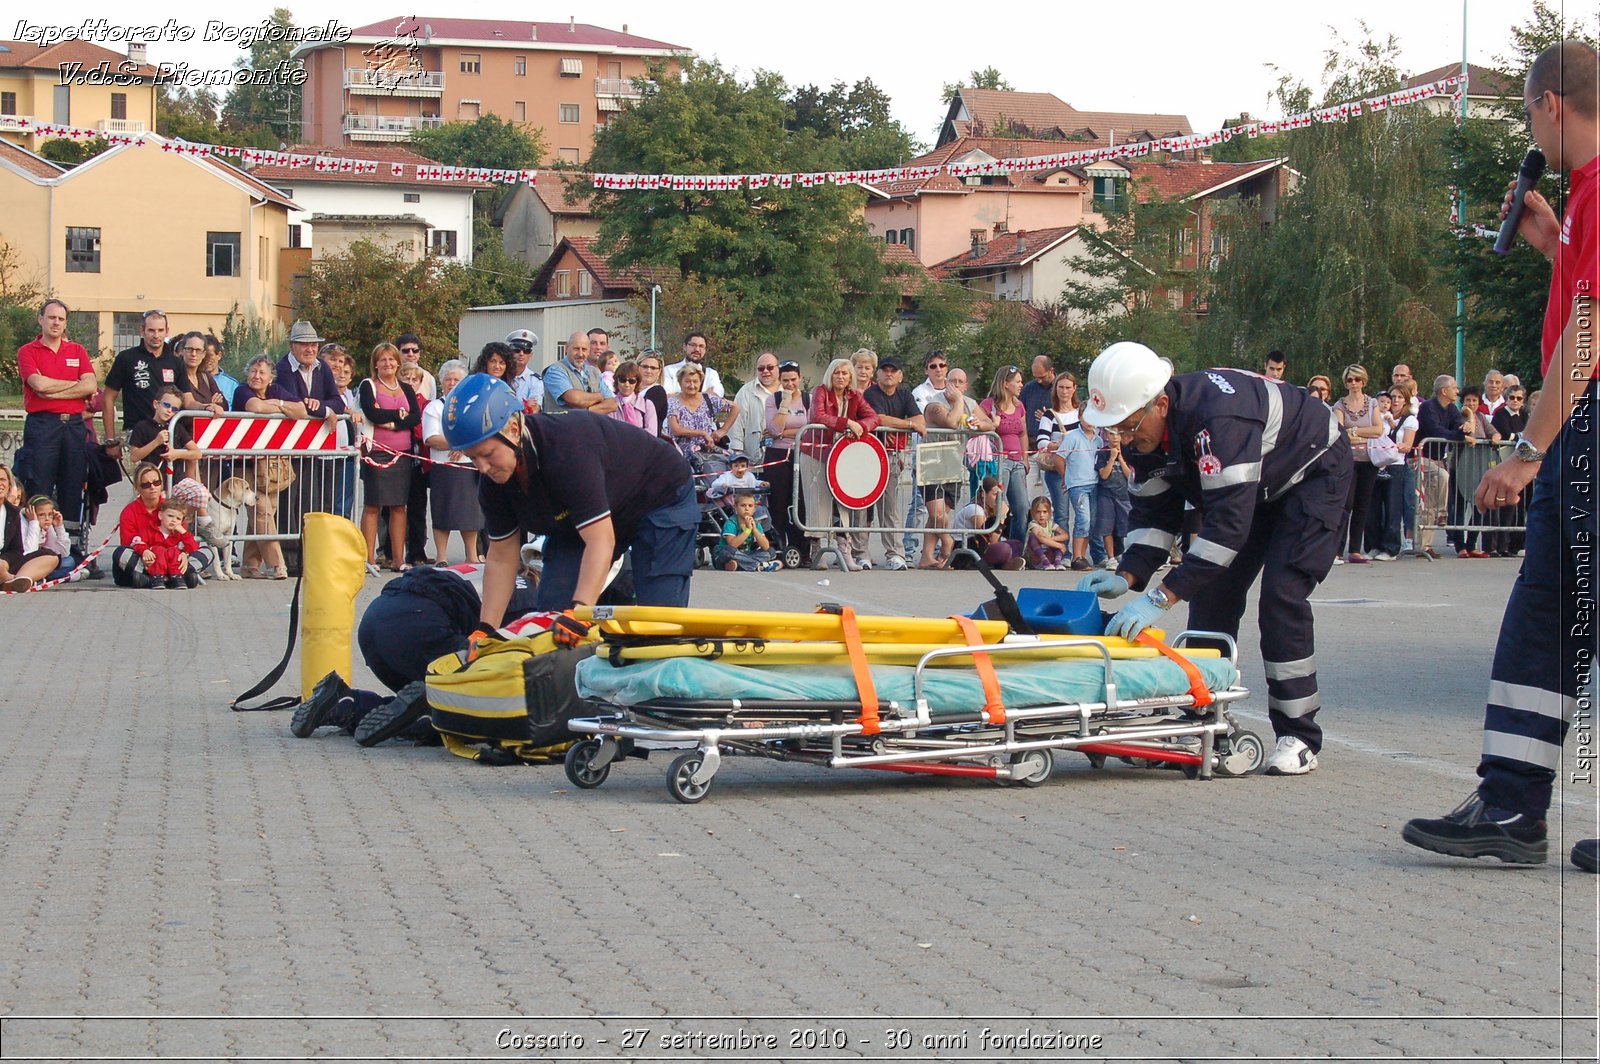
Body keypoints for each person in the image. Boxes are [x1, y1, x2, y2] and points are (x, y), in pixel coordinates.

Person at [1404, 39, 1599, 873]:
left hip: (1584, 428)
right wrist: (1552, 240)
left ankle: (1512, 803)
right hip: (1580, 434)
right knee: (1545, 619)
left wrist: (1525, 448)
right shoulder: (1584, 198)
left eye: (1526, 111)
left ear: (1550, 104)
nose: (1530, 125)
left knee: (1558, 613)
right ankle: (1511, 803)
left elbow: (1589, 337)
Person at [1075, 341, 1353, 776]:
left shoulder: (1219, 420)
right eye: (1117, 430)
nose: (1125, 440)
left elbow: (1226, 531)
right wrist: (1128, 574)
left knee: (1282, 597)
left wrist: (1161, 599)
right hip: (1253, 486)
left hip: (1312, 476)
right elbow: (1154, 515)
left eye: (1128, 427)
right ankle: (1205, 718)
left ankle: (1298, 735)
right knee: (1210, 594)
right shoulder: (1139, 433)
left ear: (1160, 404)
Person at [443, 374, 700, 639]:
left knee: (656, 622)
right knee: (552, 617)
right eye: (473, 458)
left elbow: (601, 540)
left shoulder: (566, 449)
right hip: (586, 514)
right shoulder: (493, 481)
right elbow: (501, 557)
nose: (482, 468)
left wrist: (581, 613)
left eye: (487, 454)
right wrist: (486, 629)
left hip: (659, 496)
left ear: (514, 429)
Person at [17, 298, 96, 561]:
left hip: (73, 426)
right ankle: (34, 546)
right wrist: (71, 386)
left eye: (61, 319)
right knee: (39, 483)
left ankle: (71, 548)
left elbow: (90, 386)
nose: (56, 323)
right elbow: (37, 384)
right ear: (40, 319)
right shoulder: (28, 351)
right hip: (43, 426)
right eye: (51, 318)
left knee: (73, 485)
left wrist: (54, 390)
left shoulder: (77, 350)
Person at [232, 355, 307, 580]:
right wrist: (280, 408)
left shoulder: (277, 392)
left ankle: (250, 565)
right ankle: (277, 565)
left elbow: (301, 410)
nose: (256, 376)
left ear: (270, 377)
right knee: (262, 509)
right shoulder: (242, 391)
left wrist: (279, 404)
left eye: (262, 372)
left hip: (269, 465)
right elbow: (255, 407)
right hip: (244, 463)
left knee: (265, 512)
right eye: (253, 371)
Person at [800, 358, 879, 570]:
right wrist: (847, 423)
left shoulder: (855, 396)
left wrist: (861, 426)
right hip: (815, 452)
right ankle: (818, 552)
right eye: (837, 372)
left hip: (841, 457)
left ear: (850, 376)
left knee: (842, 503)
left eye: (845, 373)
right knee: (817, 502)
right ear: (830, 374)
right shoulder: (820, 392)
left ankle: (845, 550)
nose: (841, 376)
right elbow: (818, 415)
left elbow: (873, 417)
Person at [359, 342, 423, 575]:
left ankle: (398, 558)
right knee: (373, 505)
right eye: (383, 359)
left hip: (402, 454)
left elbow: (415, 417)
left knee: (399, 506)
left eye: (391, 359)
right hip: (377, 452)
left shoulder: (406, 388)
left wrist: (394, 422)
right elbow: (371, 412)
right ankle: (368, 558)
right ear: (376, 363)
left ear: (398, 362)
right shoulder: (370, 386)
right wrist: (398, 415)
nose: (388, 363)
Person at [920, 369, 992, 569]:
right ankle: (948, 542)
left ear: (966, 386)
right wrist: (958, 401)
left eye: (960, 382)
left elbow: (989, 423)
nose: (956, 385)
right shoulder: (935, 403)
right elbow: (951, 422)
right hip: (931, 461)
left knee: (943, 513)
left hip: (954, 463)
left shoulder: (971, 403)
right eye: (952, 381)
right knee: (937, 514)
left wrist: (981, 424)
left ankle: (926, 556)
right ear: (946, 383)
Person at [860, 356, 924, 571]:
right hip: (867, 456)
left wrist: (904, 425)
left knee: (890, 508)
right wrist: (907, 425)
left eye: (893, 371)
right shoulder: (871, 393)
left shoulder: (905, 394)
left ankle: (895, 554)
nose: (889, 374)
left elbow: (921, 421)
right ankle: (861, 553)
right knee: (863, 506)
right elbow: (879, 419)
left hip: (891, 457)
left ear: (900, 375)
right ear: (877, 375)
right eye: (885, 370)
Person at [111, 461, 214, 588]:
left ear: (161, 485)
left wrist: (185, 554)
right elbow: (129, 542)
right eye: (146, 484)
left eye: (156, 482)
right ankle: (164, 578)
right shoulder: (129, 512)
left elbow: (184, 539)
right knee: (120, 553)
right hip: (145, 558)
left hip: (172, 557)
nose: (152, 487)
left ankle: (166, 577)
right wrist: (146, 553)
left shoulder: (171, 508)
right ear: (138, 487)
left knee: (207, 552)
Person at [422, 359, 483, 566]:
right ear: (442, 382)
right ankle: (441, 556)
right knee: (442, 511)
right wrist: (457, 444)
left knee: (470, 513)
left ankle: (472, 555)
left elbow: (480, 433)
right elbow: (432, 438)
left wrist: (463, 446)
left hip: (469, 465)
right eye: (448, 379)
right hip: (444, 467)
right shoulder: (434, 407)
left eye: (456, 379)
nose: (452, 383)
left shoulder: (472, 406)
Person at [104, 309, 189, 452]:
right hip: (136, 435)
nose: (156, 335)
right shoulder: (126, 358)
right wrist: (111, 440)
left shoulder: (176, 363)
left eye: (160, 330)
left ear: (167, 331)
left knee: (166, 475)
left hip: (168, 435)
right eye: (151, 330)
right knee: (140, 475)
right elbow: (107, 398)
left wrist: (206, 407)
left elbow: (187, 399)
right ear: (142, 331)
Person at [1334, 364, 1385, 564]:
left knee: (1362, 505)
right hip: (1348, 461)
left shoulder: (1372, 403)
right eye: (1349, 380)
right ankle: (1337, 549)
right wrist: (1362, 433)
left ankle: (1355, 549)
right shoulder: (1339, 405)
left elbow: (1378, 430)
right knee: (1345, 503)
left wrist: (1353, 432)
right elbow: (1340, 432)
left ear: (1363, 381)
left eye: (1357, 379)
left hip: (1369, 460)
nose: (1353, 383)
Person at [1416, 374, 1469, 558]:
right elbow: (1436, 431)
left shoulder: (1452, 408)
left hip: (1437, 459)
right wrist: (1461, 436)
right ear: (1444, 390)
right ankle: (1442, 514)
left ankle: (1425, 545)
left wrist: (1464, 427)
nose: (1457, 391)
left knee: (1429, 502)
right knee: (1443, 477)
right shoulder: (1427, 408)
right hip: (1420, 458)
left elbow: (1458, 422)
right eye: (1454, 387)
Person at [763, 361, 809, 564]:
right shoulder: (773, 399)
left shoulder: (809, 399)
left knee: (801, 503)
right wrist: (785, 405)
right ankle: (778, 547)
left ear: (799, 378)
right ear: (779, 381)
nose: (790, 384)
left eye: (793, 380)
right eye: (785, 381)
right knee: (778, 503)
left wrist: (787, 433)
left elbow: (813, 428)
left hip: (802, 453)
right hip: (777, 455)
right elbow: (773, 430)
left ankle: (803, 550)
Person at [979, 365, 1031, 543]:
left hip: (1017, 461)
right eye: (1017, 381)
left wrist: (1024, 458)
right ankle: (989, 544)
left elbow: (1023, 433)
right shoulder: (989, 405)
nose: (1021, 384)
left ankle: (1016, 546)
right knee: (997, 505)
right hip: (998, 460)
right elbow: (978, 425)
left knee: (1022, 507)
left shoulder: (1019, 406)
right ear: (1005, 384)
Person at [1034, 372, 1080, 540]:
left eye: (1068, 387)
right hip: (1056, 470)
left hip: (1080, 469)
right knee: (1062, 514)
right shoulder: (1049, 415)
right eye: (1061, 387)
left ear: (1074, 389)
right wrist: (1060, 446)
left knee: (1083, 515)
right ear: (1055, 389)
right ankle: (1064, 553)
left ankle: (1086, 553)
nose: (1064, 391)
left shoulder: (1080, 414)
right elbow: (1041, 442)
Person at [1485, 385, 1529, 557]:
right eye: (1512, 398)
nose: (1515, 401)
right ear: (1507, 399)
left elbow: (1523, 434)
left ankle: (1508, 545)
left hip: (1518, 466)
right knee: (1496, 504)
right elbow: (1505, 433)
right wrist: (1519, 435)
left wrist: (1516, 435)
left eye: (1519, 398)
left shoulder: (1524, 415)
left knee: (1513, 506)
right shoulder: (1501, 414)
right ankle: (1492, 546)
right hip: (1501, 462)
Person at [0, 467, 58, 593]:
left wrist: (5, 561)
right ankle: (10, 580)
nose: (0, 484)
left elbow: (17, 550)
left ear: (9, 485)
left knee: (51, 557)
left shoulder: (13, 512)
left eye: (3, 480)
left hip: (5, 563)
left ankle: (17, 581)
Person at [666, 364, 738, 460]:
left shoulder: (708, 399)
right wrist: (702, 433)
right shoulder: (673, 402)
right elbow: (676, 430)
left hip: (707, 454)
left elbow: (735, 407)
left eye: (695, 381)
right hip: (681, 456)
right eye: (687, 381)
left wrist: (723, 430)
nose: (692, 385)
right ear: (680, 382)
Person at [951, 475, 1023, 570]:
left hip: (981, 548)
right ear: (983, 494)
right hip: (967, 550)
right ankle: (1002, 563)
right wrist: (1001, 517)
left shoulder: (990, 508)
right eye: (994, 495)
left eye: (999, 495)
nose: (998, 499)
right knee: (1004, 549)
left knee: (1017, 544)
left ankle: (1005, 564)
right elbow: (988, 540)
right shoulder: (975, 509)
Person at [1058, 415, 1102, 570]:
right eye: (1086, 418)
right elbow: (1059, 457)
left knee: (1091, 522)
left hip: (1094, 483)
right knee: (1083, 520)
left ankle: (1082, 556)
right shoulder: (1072, 437)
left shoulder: (1098, 439)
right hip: (1078, 485)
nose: (1090, 422)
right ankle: (1076, 557)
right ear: (1080, 418)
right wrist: (1065, 477)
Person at [541, 332, 617, 416]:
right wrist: (599, 396)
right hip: (561, 428)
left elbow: (612, 404)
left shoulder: (594, 372)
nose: (580, 354)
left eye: (584, 349)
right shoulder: (555, 371)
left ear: (588, 351)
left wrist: (587, 410)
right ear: (566, 348)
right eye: (576, 349)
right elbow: (575, 399)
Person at [1094, 427, 1134, 569]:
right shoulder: (1103, 453)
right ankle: (1110, 557)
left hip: (1124, 495)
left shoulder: (1128, 451)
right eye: (1111, 434)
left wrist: (1121, 458)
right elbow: (1104, 475)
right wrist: (1111, 458)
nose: (1115, 437)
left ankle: (1125, 554)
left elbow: (1130, 476)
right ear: (1105, 435)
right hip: (1106, 494)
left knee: (1126, 526)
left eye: (1118, 434)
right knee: (1107, 527)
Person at [729, 353, 780, 460]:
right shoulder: (746, 392)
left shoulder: (787, 391)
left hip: (782, 455)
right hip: (753, 459)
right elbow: (737, 424)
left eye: (770, 367)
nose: (765, 371)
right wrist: (737, 454)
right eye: (761, 369)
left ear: (778, 368)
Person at [144, 499, 202, 590]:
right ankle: (158, 577)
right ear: (160, 515)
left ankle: (177, 577)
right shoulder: (150, 530)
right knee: (159, 549)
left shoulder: (179, 534)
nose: (174, 520)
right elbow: (139, 542)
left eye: (178, 518)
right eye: (170, 516)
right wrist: (145, 551)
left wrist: (183, 533)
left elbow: (193, 547)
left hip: (175, 566)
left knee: (175, 551)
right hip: (154, 565)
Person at [716, 493, 781, 572]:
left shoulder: (756, 524)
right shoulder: (731, 523)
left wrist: (755, 530)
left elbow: (766, 546)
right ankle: (759, 566)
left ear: (754, 509)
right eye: (743, 505)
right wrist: (747, 530)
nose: (746, 508)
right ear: (735, 507)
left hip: (746, 554)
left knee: (771, 552)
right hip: (731, 554)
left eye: (750, 506)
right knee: (728, 551)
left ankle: (742, 565)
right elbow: (732, 545)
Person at [177, 331, 227, 415]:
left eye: (198, 350)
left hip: (206, 427)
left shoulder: (206, 377)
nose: (193, 354)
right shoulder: (176, 376)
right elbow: (188, 404)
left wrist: (214, 406)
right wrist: (208, 406)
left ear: (204, 354)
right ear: (182, 351)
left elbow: (224, 405)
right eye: (189, 349)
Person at [663, 332, 723, 397]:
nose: (697, 349)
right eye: (693, 345)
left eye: (701, 346)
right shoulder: (669, 370)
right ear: (684, 347)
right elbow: (666, 396)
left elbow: (717, 395)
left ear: (705, 350)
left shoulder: (711, 373)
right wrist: (705, 395)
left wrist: (678, 395)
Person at [608, 361, 658, 436]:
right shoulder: (609, 404)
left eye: (632, 381)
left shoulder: (647, 405)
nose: (627, 385)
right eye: (623, 380)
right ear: (616, 381)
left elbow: (652, 435)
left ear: (637, 383)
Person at [1019, 354, 1056, 446]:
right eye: (1036, 377)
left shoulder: (1062, 388)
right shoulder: (1028, 388)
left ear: (1051, 371)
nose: (1039, 380)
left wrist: (1048, 418)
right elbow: (1019, 411)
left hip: (1052, 442)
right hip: (1029, 441)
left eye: (1042, 377)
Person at [1024, 495, 1068, 570]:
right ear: (1033, 513)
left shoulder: (1050, 524)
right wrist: (1060, 546)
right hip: (1035, 557)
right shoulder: (1033, 524)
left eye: (1044, 512)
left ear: (1049, 513)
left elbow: (1065, 535)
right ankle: (1045, 562)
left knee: (1060, 538)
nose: (1041, 515)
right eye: (1038, 512)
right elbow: (1041, 538)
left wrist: (1053, 539)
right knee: (1033, 537)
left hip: (1049, 554)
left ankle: (1057, 562)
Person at [506, 329, 542, 415]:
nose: (521, 353)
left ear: (531, 355)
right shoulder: (502, 376)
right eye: (517, 349)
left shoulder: (535, 380)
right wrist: (524, 404)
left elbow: (533, 410)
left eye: (526, 350)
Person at [636, 351, 670, 434]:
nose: (648, 371)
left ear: (659, 371)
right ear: (637, 367)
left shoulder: (657, 392)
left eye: (653, 368)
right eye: (645, 366)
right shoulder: (629, 389)